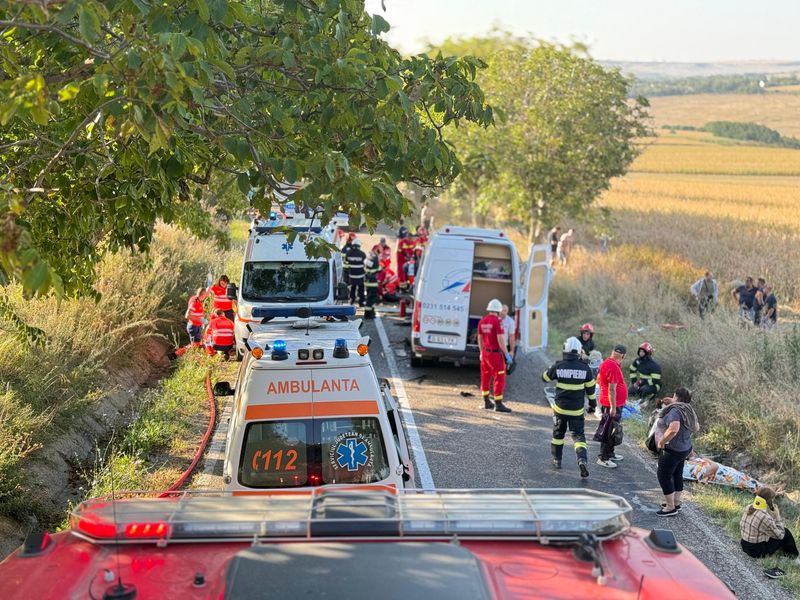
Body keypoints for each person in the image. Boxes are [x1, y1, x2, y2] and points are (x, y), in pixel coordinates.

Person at [542, 337, 596, 477]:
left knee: (558, 435)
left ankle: (557, 460)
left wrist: (552, 367)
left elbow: (545, 378)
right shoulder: (585, 368)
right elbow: (591, 391)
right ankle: (582, 460)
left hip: (560, 410)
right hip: (577, 411)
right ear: (579, 351)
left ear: (564, 350)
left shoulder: (559, 365)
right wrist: (593, 406)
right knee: (578, 437)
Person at [654, 387, 700, 516]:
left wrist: (662, 441)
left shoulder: (675, 411)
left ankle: (670, 507)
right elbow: (696, 427)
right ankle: (676, 502)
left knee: (664, 475)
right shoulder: (689, 410)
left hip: (672, 449)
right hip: (685, 448)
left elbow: (673, 429)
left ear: (675, 395)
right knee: (677, 474)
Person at [740, 486, 799, 578]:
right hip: (756, 552)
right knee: (785, 533)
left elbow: (765, 526)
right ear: (769, 501)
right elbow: (780, 535)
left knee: (775, 532)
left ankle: (785, 552)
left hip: (744, 545)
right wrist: (777, 516)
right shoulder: (764, 517)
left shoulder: (749, 507)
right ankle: (793, 558)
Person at [477, 299, 513, 413]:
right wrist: (506, 353)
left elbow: (479, 338)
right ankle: (498, 404)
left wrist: (481, 352)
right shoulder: (498, 322)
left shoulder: (482, 321)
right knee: (499, 377)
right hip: (496, 354)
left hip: (485, 353)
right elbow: (500, 338)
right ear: (498, 310)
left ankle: (487, 401)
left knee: (485, 376)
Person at [596, 344, 627, 468]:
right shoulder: (612, 366)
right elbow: (612, 390)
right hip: (611, 404)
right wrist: (613, 407)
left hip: (614, 403)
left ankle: (610, 453)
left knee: (613, 430)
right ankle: (603, 457)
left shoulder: (611, 363)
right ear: (623, 356)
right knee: (608, 431)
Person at [173, 288, 208, 358]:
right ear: (202, 295)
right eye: (205, 295)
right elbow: (187, 315)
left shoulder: (196, 299)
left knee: (196, 345)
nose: (205, 297)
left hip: (196, 326)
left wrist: (201, 320)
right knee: (194, 345)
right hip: (193, 326)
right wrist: (200, 319)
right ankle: (176, 354)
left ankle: (179, 354)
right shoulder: (194, 302)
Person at [345, 238, 366, 306]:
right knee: (361, 289)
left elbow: (346, 262)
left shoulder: (348, 253)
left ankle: (352, 300)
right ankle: (361, 302)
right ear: (359, 245)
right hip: (360, 276)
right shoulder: (362, 254)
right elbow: (364, 263)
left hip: (352, 275)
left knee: (352, 288)